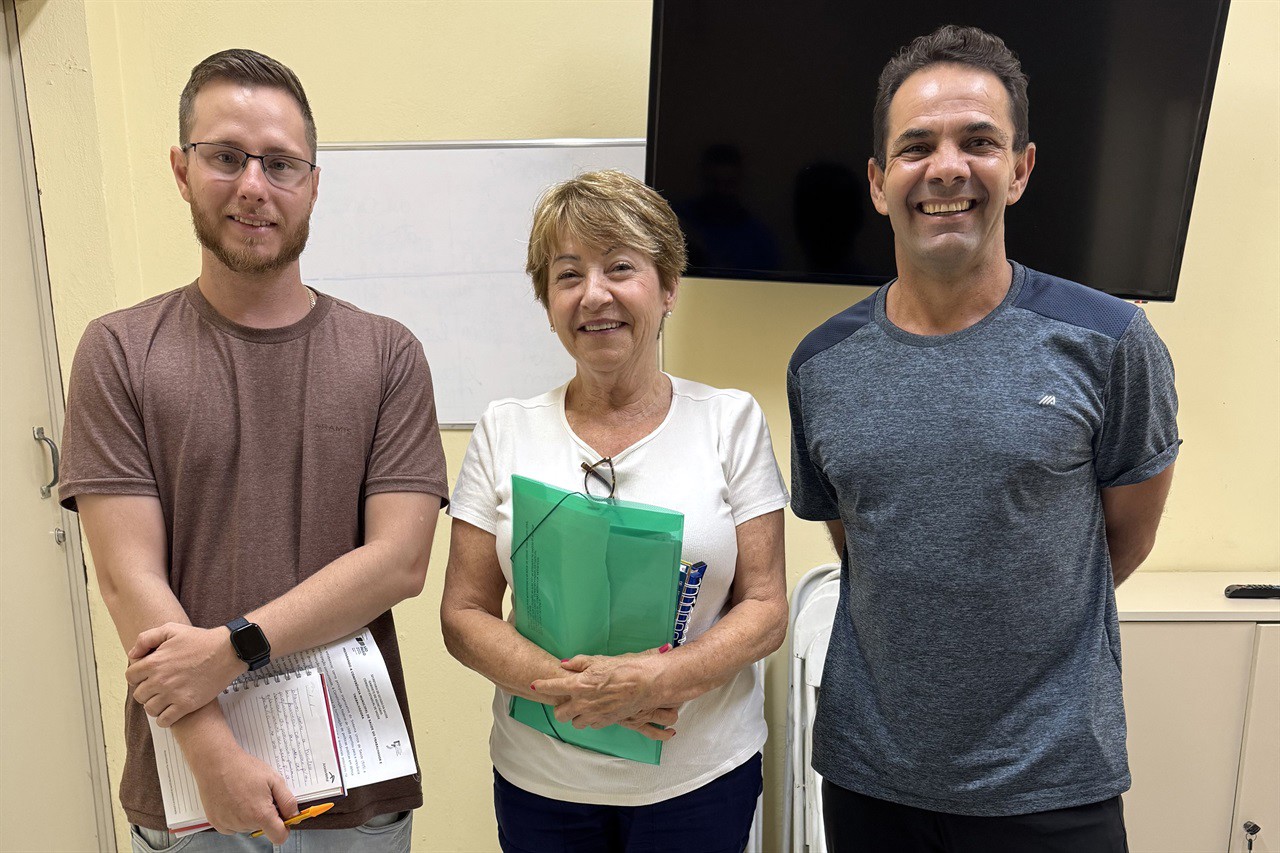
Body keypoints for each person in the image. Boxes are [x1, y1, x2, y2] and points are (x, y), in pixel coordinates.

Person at [787, 25, 1179, 852]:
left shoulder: (1111, 342)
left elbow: (1126, 536)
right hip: (871, 780)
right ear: (878, 181)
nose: (947, 168)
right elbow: (863, 540)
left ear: (1021, 169)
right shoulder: (820, 366)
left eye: (979, 142)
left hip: (1051, 781)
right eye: (916, 146)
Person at [58, 49, 448, 851]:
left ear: (313, 183)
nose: (253, 186)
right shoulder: (120, 351)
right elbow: (130, 579)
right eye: (226, 157)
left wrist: (235, 647)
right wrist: (212, 755)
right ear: (181, 169)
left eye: (279, 163)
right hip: (188, 785)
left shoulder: (387, 355)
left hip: (355, 794)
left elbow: (399, 562)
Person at [441, 169, 789, 853]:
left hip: (698, 780)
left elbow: (767, 606)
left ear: (668, 287)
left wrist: (656, 679)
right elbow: (463, 613)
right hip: (543, 784)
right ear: (548, 302)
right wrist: (590, 691)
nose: (594, 294)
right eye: (568, 275)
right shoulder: (505, 429)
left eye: (621, 267)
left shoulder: (731, 421)